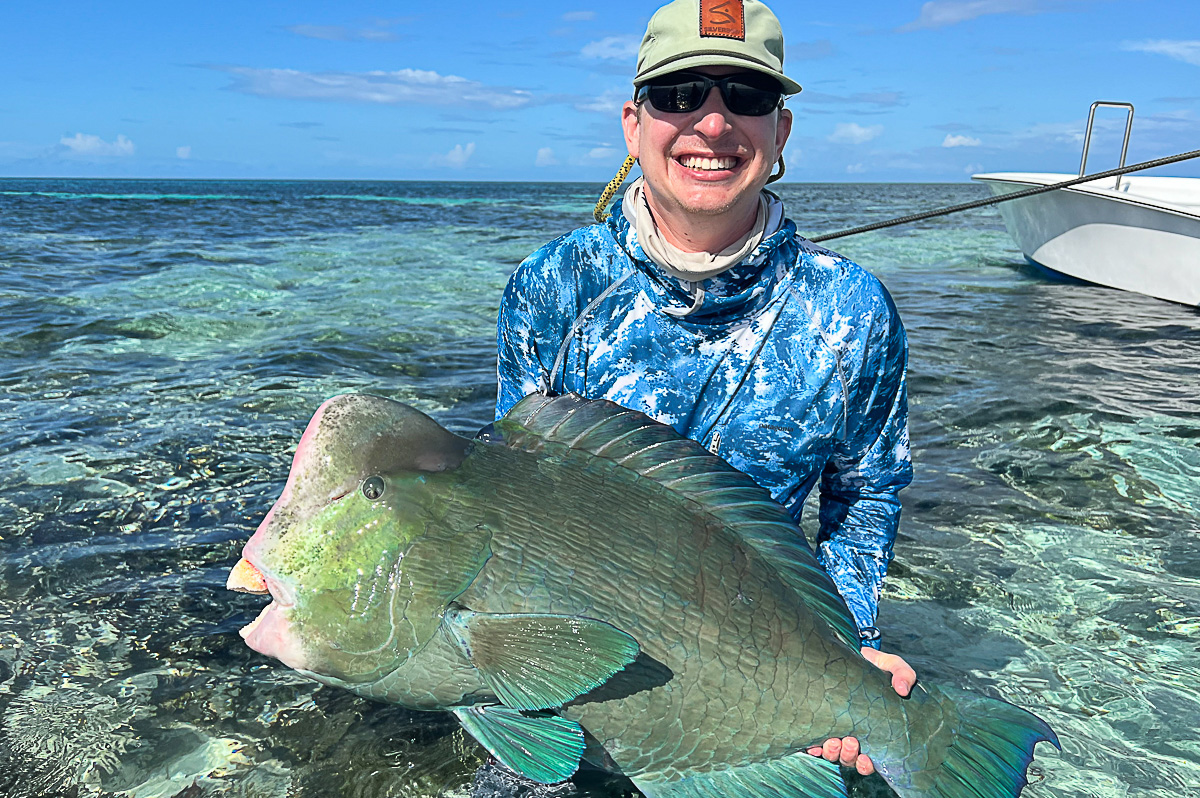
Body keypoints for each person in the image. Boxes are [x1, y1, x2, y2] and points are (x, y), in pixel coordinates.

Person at [496, 0, 914, 777]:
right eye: (681, 94)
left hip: (757, 670)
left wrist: (847, 646)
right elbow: (514, 502)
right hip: (578, 678)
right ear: (633, 123)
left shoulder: (852, 310)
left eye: (746, 97)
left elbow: (866, 494)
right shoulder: (552, 287)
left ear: (780, 131)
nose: (714, 124)